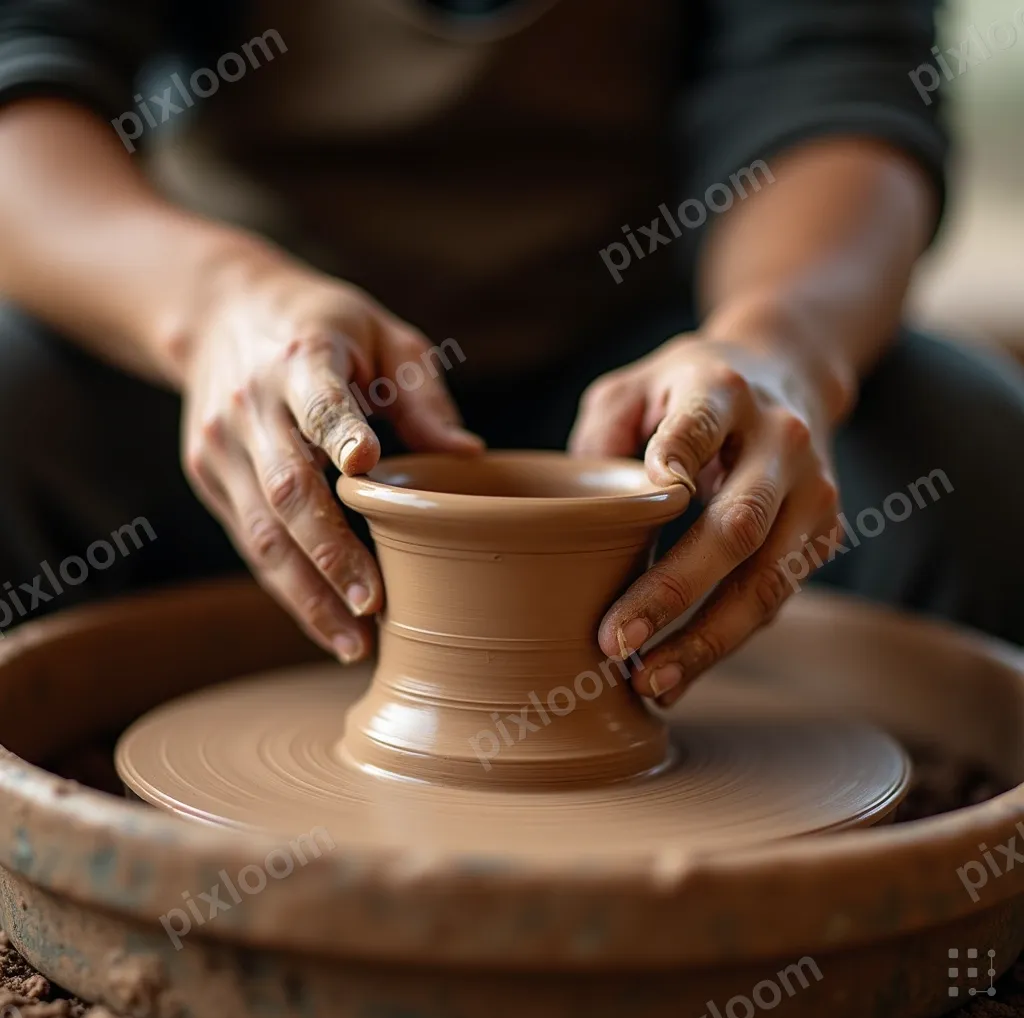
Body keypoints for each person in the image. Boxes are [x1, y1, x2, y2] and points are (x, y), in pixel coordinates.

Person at [0, 0, 1020, 706]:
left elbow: (838, 92)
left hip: (645, 397)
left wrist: (777, 346)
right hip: (257, 372)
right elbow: (23, 75)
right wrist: (215, 308)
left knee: (972, 462)